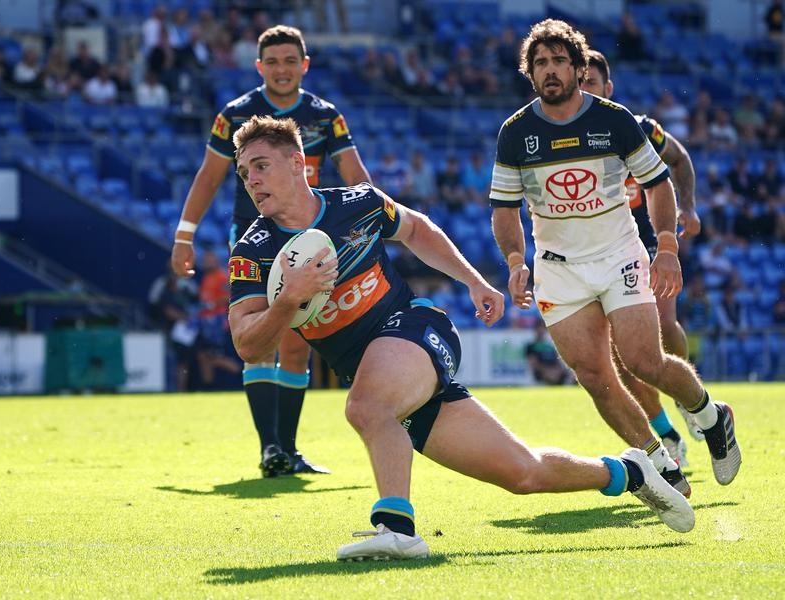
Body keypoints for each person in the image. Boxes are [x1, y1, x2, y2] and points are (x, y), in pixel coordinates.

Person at [227, 114, 694, 561]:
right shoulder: (252, 251)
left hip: (416, 329)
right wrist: (288, 301)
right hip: (389, 379)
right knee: (524, 473)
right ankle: (630, 472)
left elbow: (415, 228)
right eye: (245, 173)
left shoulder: (358, 202)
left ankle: (396, 530)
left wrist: (473, 281)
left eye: (261, 166)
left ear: (297, 162)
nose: (252, 180)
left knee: (365, 407)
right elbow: (247, 344)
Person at [489, 19, 741, 496]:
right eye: (540, 62)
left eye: (559, 60)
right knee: (595, 377)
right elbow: (504, 208)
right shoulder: (515, 133)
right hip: (558, 268)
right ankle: (660, 463)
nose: (550, 70)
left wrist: (667, 246)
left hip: (618, 255)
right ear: (529, 72)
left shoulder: (617, 120)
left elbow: (659, 183)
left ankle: (711, 416)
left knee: (644, 361)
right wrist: (516, 261)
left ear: (578, 67)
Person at [170, 26, 371, 478]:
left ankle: (289, 449)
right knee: (261, 336)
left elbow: (355, 174)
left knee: (297, 345)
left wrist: (371, 217)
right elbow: (209, 176)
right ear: (259, 67)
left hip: (307, 236)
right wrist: (184, 235)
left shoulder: (326, 116)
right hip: (254, 237)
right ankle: (270, 449)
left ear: (305, 65)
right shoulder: (234, 115)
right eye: (273, 62)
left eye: (290, 61)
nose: (282, 70)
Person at [582, 50, 703, 455]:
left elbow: (679, 159)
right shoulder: (560, 143)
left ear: (608, 88)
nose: (584, 92)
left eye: (592, 84)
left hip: (648, 241)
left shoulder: (640, 129)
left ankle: (689, 396)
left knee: (664, 326)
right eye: (579, 84)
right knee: (623, 356)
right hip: (600, 251)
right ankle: (667, 433)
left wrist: (687, 207)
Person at [524, 320, 571, 385]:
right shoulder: (531, 346)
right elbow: (533, 363)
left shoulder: (550, 346)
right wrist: (546, 370)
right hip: (541, 372)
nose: (541, 331)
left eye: (543, 328)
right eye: (539, 328)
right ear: (535, 330)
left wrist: (558, 370)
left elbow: (557, 361)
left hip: (554, 371)